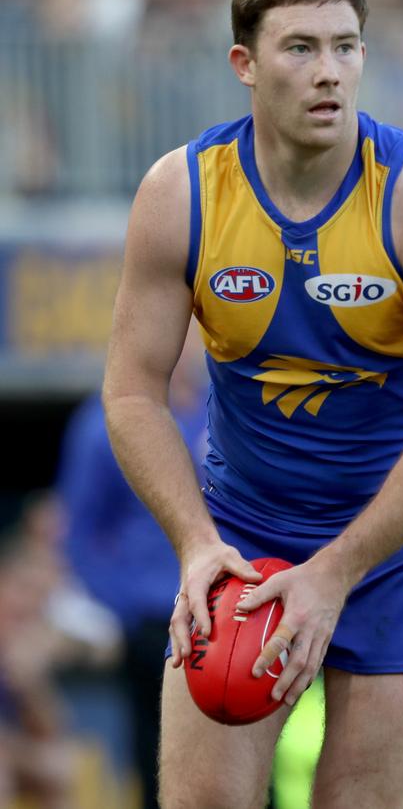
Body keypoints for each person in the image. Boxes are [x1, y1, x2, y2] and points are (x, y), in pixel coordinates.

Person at [102, 0, 403, 808]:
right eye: (301, 48)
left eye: (347, 46)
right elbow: (132, 391)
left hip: (399, 543)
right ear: (244, 65)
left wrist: (338, 568)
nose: (330, 73)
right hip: (245, 532)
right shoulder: (182, 193)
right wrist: (196, 543)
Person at [57, 327, 208, 809]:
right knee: (160, 755)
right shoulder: (101, 423)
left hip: (228, 609)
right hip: (152, 620)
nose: (182, 343)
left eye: (192, 331)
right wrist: (124, 606)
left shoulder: (223, 412)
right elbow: (80, 534)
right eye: (175, 329)